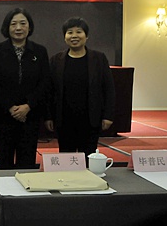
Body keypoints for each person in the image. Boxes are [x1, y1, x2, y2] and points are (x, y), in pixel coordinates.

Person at [0, 8, 50, 169]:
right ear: (7, 27)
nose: (18, 28)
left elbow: (44, 82)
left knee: (27, 162)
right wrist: (10, 107)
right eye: (13, 24)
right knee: (4, 162)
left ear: (29, 26)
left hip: (30, 115)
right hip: (4, 115)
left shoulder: (40, 51)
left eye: (23, 23)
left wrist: (28, 106)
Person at [44, 17, 115, 155]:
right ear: (65, 37)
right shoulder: (56, 60)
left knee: (88, 156)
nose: (74, 36)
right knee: (66, 156)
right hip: (64, 119)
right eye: (70, 32)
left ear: (86, 36)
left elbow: (109, 89)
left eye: (79, 32)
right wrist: (48, 117)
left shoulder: (99, 59)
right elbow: (49, 92)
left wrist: (108, 116)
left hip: (90, 119)